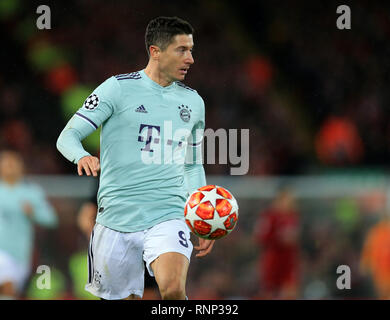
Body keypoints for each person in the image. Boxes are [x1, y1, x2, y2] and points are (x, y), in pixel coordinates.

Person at [56, 16, 214, 300]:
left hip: (169, 213)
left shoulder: (193, 102)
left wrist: (200, 215)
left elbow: (192, 163)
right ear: (155, 51)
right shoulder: (116, 88)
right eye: (182, 50)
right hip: (116, 217)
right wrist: (81, 156)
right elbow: (67, 137)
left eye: (191, 50)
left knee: (174, 289)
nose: (190, 59)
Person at [0, 150, 58, 299]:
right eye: (6, 163)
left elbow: (51, 219)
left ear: (21, 167)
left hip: (21, 252)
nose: (10, 167)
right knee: (8, 286)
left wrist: (33, 212)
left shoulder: (32, 192)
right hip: (2, 251)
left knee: (11, 291)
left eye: (13, 163)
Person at [254, 188, 300, 299]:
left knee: (290, 290)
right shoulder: (269, 217)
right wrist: (279, 239)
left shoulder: (293, 216)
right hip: (273, 258)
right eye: (286, 199)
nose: (288, 203)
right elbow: (260, 237)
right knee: (269, 291)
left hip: (289, 259)